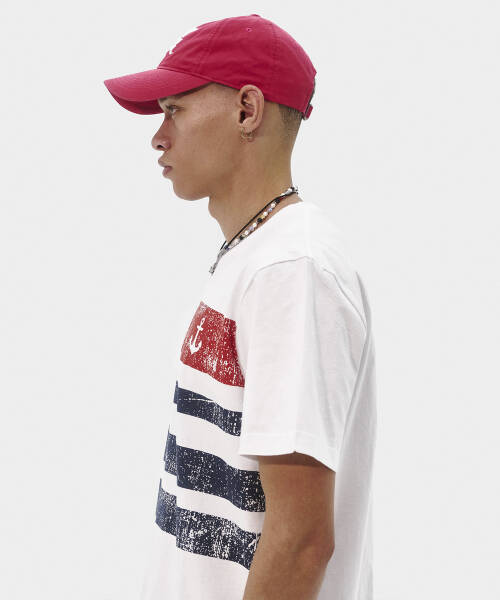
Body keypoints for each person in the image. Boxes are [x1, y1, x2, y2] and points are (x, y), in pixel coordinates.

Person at [103, 14, 377, 600]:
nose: (158, 136)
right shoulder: (254, 256)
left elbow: (302, 540)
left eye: (174, 109)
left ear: (247, 110)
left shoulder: (292, 269)